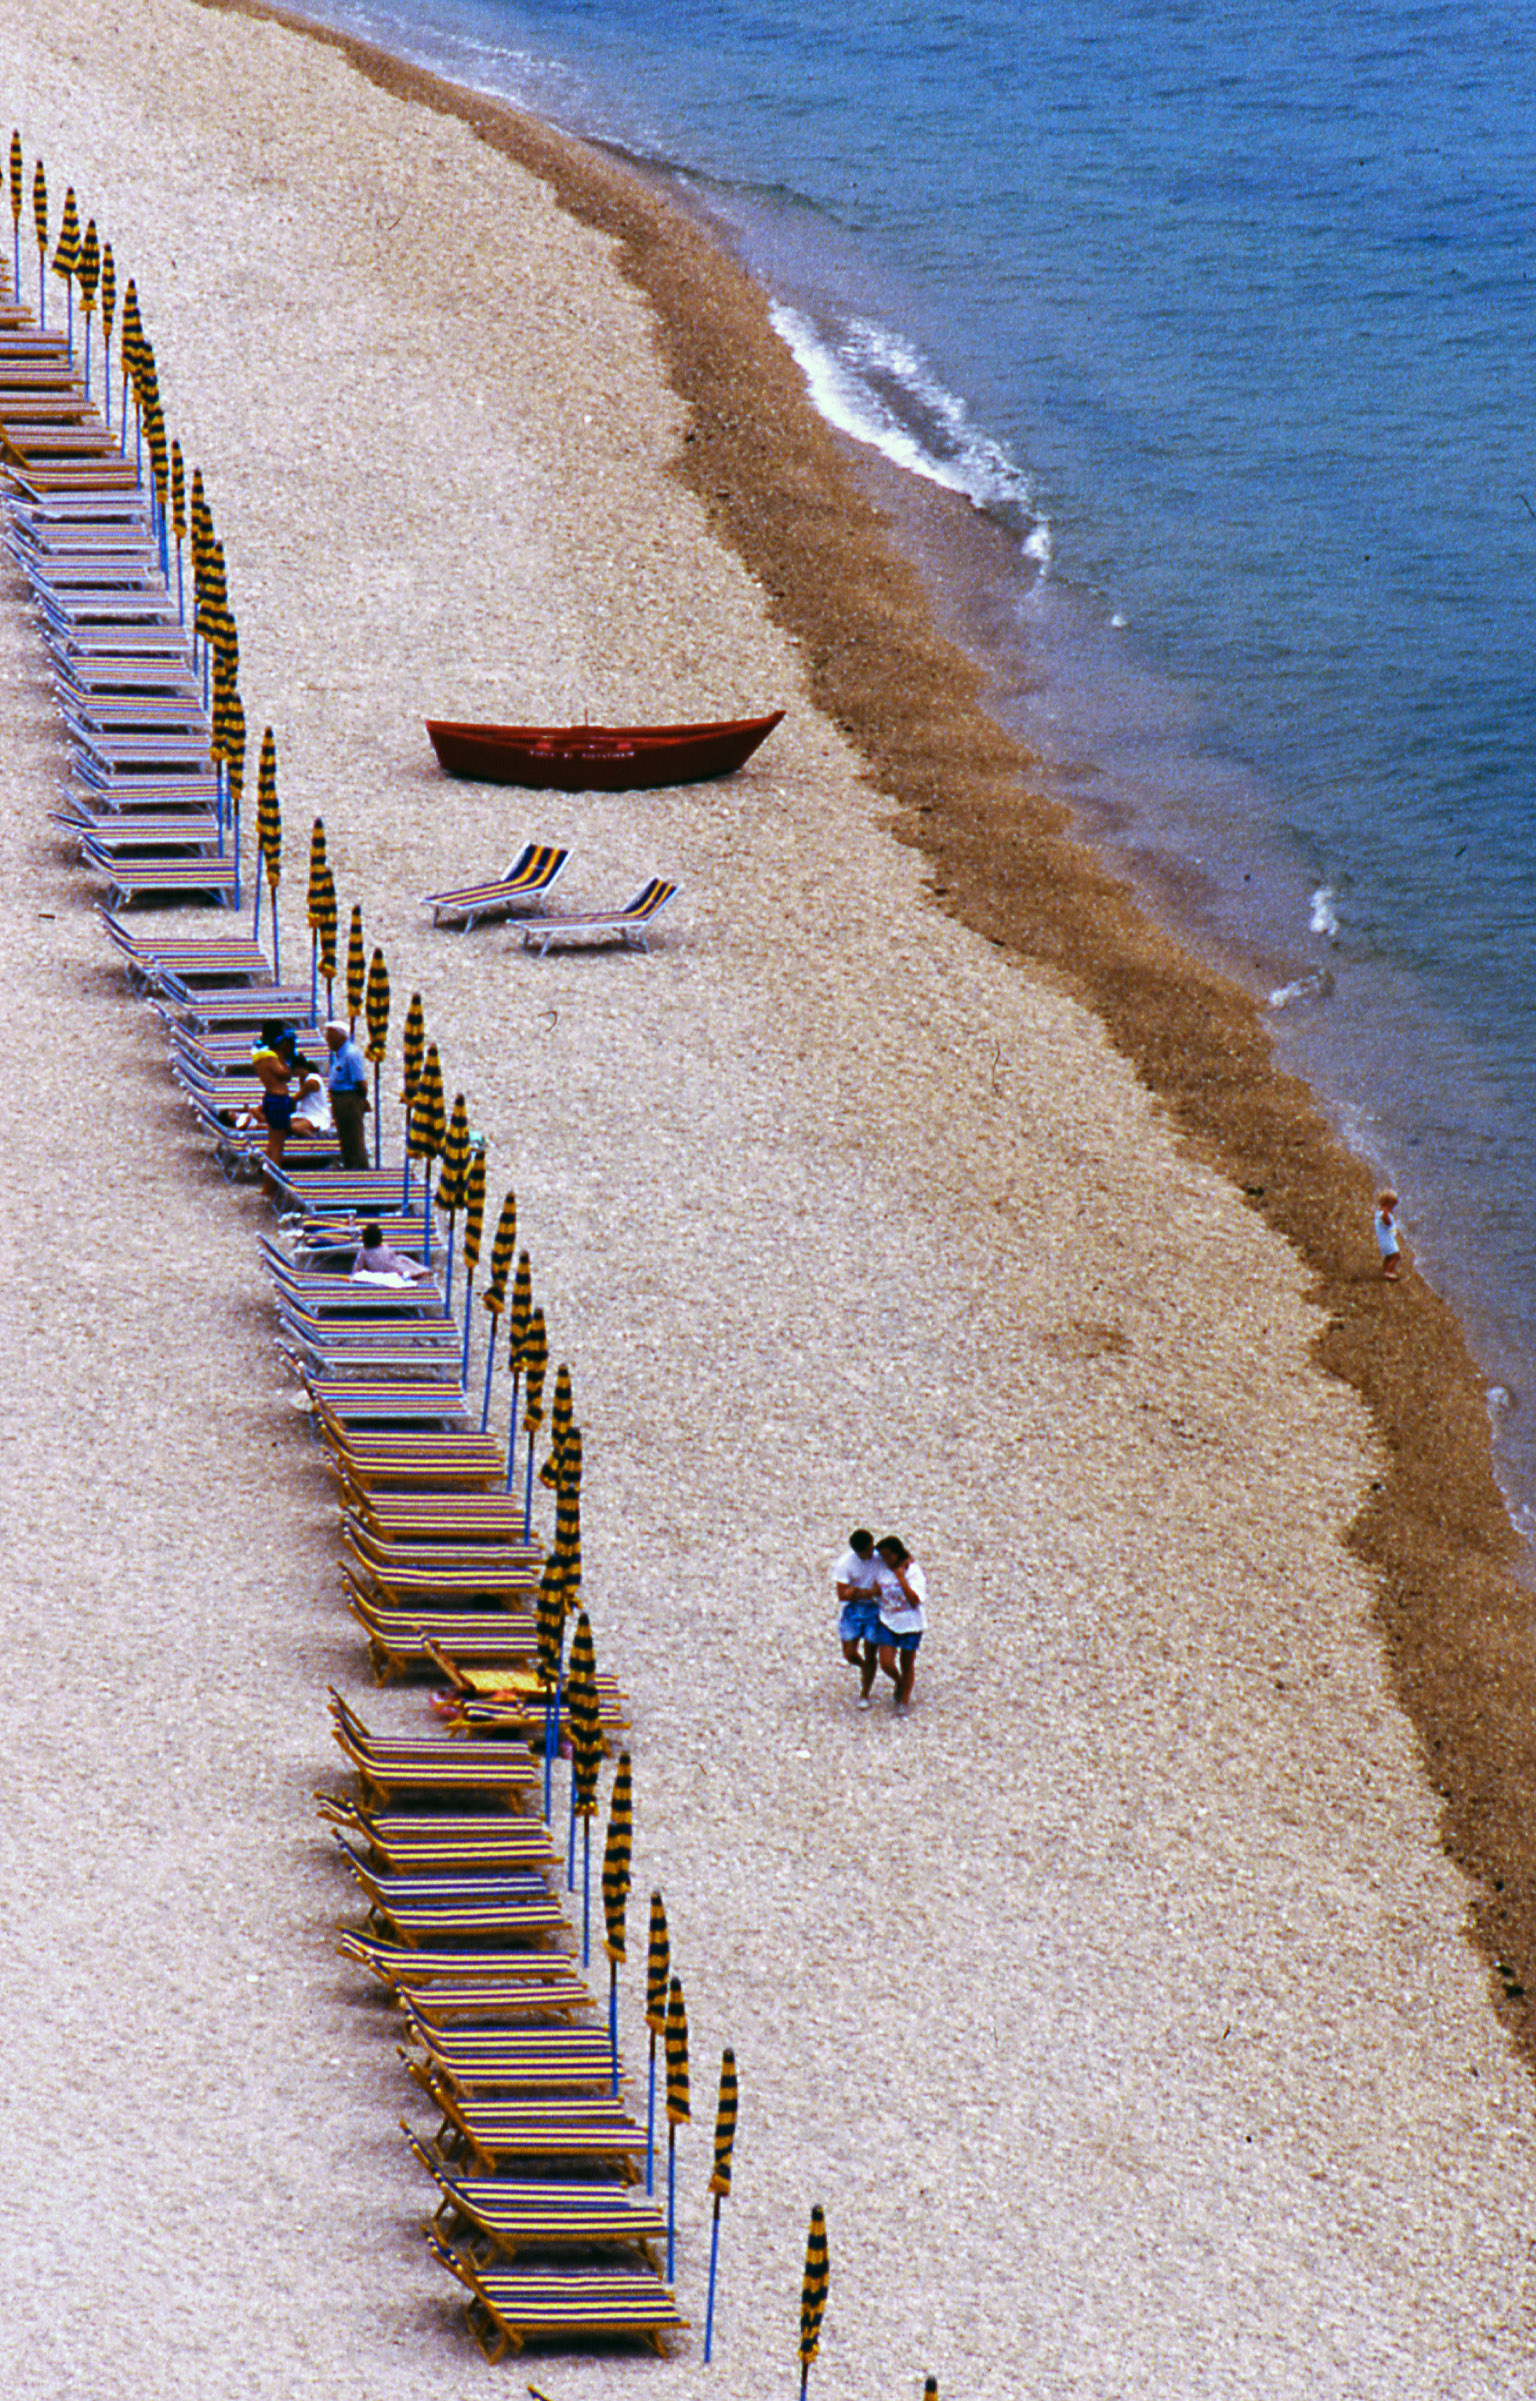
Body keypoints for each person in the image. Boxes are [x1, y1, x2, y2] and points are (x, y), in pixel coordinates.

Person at [875, 1535, 928, 1714]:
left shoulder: (913, 1571)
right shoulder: (881, 1571)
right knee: (886, 1662)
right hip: (888, 1621)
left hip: (911, 1624)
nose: (886, 1560)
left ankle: (904, 1699)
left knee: (907, 1663)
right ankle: (899, 1682)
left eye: (889, 1556)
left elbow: (915, 1600)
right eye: (883, 1557)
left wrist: (901, 1579)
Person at [834, 1529, 884, 1708]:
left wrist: (857, 1592)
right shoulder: (845, 1564)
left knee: (871, 1650)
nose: (871, 1553)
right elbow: (843, 1594)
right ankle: (864, 1667)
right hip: (854, 1610)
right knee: (849, 1652)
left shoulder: (880, 1558)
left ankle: (865, 1693)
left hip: (875, 1609)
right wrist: (870, 1592)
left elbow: (850, 1591)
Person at [251, 1019, 299, 1164]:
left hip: (271, 1097)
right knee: (278, 1147)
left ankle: (268, 1178)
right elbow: (286, 1074)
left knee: (273, 1143)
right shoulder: (270, 1057)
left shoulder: (259, 1053)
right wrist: (285, 1057)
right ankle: (271, 1182)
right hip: (278, 1099)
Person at [324, 1019, 371, 1171]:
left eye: (330, 1037)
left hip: (348, 1099)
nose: (327, 1040)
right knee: (345, 1136)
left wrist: (360, 1101)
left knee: (354, 1137)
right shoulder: (339, 1054)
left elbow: (361, 1082)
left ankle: (359, 1169)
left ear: (341, 1036)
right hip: (340, 1099)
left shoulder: (350, 1054)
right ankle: (350, 1165)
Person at [350, 1220, 434, 1283]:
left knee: (400, 1264)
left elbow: (356, 1269)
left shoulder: (363, 1251)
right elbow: (392, 1256)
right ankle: (421, 1270)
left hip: (382, 1271)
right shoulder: (384, 1247)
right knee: (403, 1261)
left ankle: (415, 1272)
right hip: (392, 1267)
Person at [1374, 1190, 1402, 1281]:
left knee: (1388, 1256)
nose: (1393, 1208)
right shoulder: (1384, 1214)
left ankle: (1385, 1270)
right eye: (1393, 1206)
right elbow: (1387, 1223)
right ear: (1387, 1204)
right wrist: (1387, 1215)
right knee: (1396, 1256)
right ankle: (1389, 1272)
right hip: (1387, 1240)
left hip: (1383, 1240)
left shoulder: (1378, 1213)